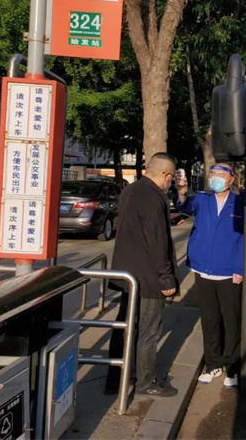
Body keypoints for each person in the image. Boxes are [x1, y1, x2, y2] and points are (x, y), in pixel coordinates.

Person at [105, 152, 179, 397]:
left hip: (127, 274)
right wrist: (166, 278)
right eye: (172, 177)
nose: (171, 182)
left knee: (125, 327)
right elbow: (157, 241)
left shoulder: (130, 190)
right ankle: (146, 382)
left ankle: (115, 379)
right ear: (166, 175)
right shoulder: (154, 197)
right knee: (149, 331)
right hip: (149, 278)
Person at [175, 163, 244, 388]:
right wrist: (181, 192)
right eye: (213, 174)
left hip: (229, 272)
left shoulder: (240, 203)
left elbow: (244, 238)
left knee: (231, 320)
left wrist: (240, 268)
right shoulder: (202, 199)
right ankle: (212, 364)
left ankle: (232, 367)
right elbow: (185, 206)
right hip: (203, 269)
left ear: (231, 179)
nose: (215, 178)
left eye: (221, 175)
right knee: (209, 319)